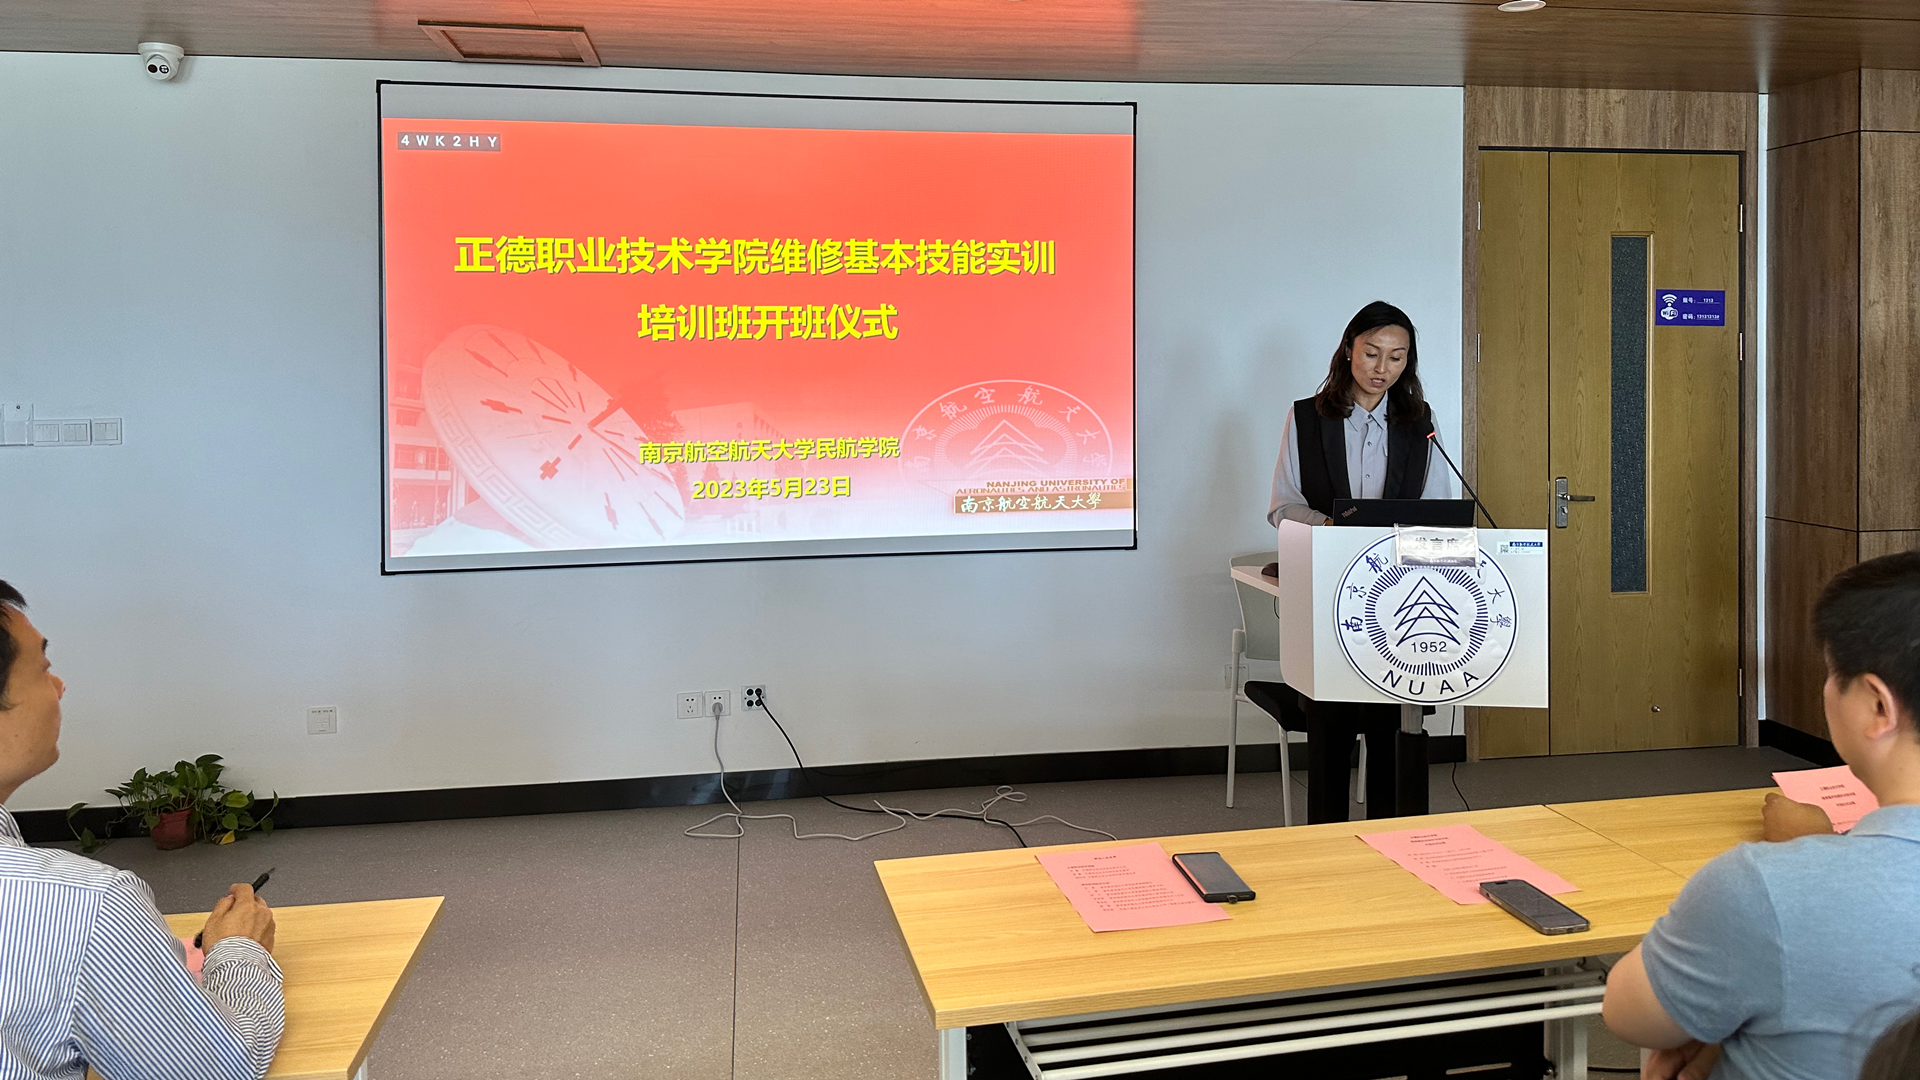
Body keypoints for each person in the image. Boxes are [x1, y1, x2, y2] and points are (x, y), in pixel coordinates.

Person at [1601, 552, 1920, 1080]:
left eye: (1831, 672)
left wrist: (1718, 1035)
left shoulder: (1761, 888)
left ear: (1877, 706)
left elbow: (1630, 1015)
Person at [0, 580, 286, 1080]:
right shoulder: (86, 906)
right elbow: (219, 1068)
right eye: (43, 668)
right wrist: (239, 949)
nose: (60, 686)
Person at [1262, 301, 1453, 823]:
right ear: (1349, 349)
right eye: (1371, 353)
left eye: (1396, 357)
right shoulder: (1307, 417)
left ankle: (1390, 846)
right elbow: (1283, 506)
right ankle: (1324, 847)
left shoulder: (1419, 423)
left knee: (1393, 732)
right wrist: (1331, 527)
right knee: (1331, 733)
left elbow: (1439, 508)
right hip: (1331, 596)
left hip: (1400, 602)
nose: (1381, 368)